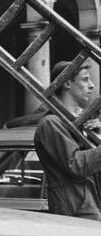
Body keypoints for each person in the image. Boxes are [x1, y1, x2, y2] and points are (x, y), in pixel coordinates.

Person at [33, 61, 101, 220]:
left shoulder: (77, 122)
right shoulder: (50, 123)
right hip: (75, 208)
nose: (91, 85)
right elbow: (77, 164)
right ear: (68, 83)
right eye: (85, 79)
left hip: (87, 203)